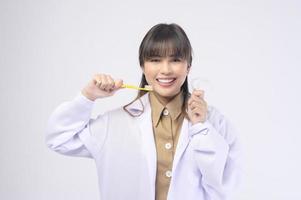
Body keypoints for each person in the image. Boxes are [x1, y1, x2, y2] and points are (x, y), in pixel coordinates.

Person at [46, 23, 242, 200]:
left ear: (188, 66)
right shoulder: (114, 123)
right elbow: (59, 139)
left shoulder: (215, 123)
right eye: (155, 60)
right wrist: (88, 97)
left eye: (175, 60)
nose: (165, 70)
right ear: (142, 66)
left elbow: (226, 187)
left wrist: (201, 128)